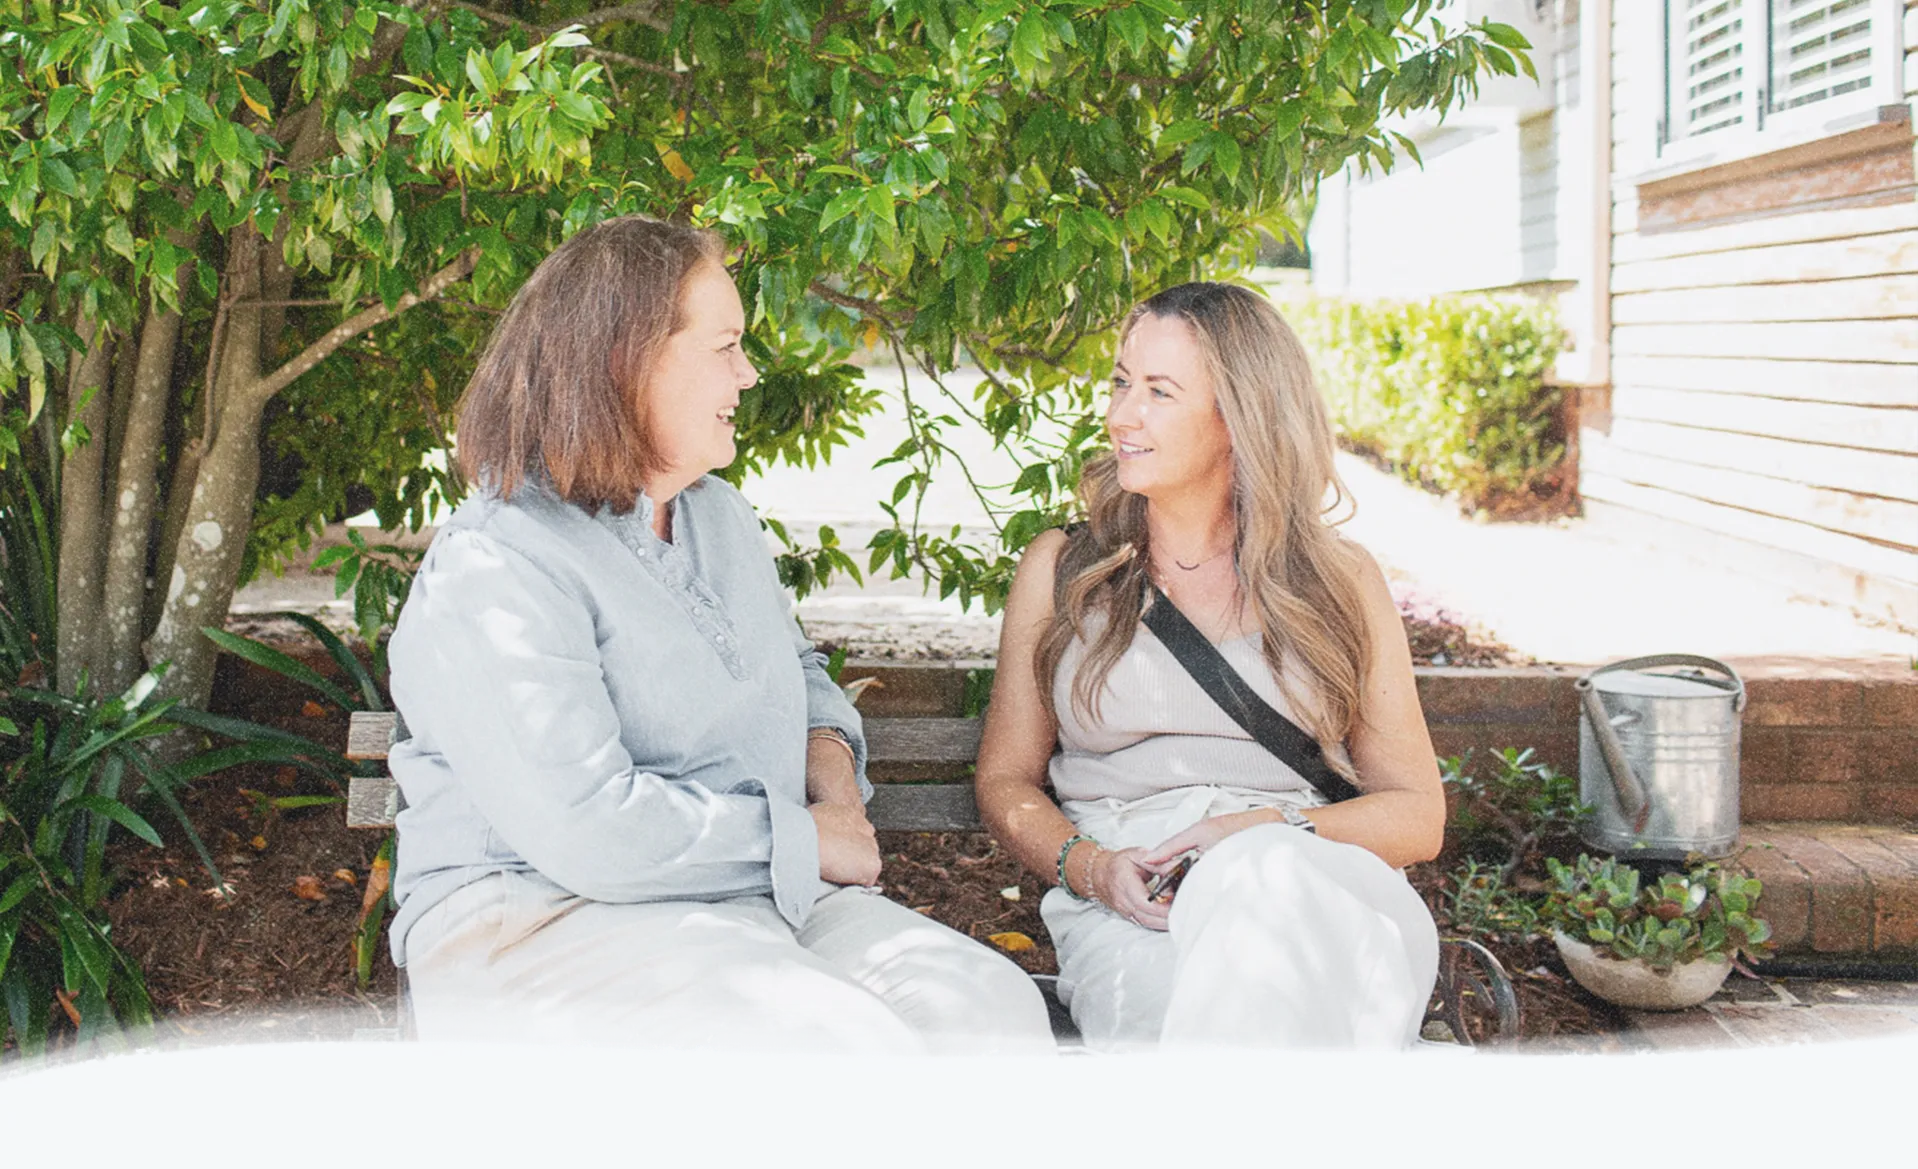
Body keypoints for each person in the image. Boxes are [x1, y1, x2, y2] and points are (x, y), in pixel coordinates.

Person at [384, 215, 1053, 1057]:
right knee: (843, 1045)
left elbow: (803, 678)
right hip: (536, 925)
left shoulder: (718, 517)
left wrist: (834, 786)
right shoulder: (499, 562)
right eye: (725, 345)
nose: (749, 371)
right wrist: (805, 841)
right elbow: (588, 829)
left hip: (747, 904)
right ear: (627, 362)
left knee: (992, 1017)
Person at [975, 282, 1447, 1054]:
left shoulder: (1337, 581)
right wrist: (1091, 868)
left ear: (1240, 417)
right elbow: (1005, 779)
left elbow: (1417, 815)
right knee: (1206, 1032)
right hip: (1139, 904)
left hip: (1313, 880)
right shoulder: (1066, 570)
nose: (1123, 414)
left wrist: (1262, 831)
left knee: (1258, 890)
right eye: (1122, 382)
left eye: (1159, 392)